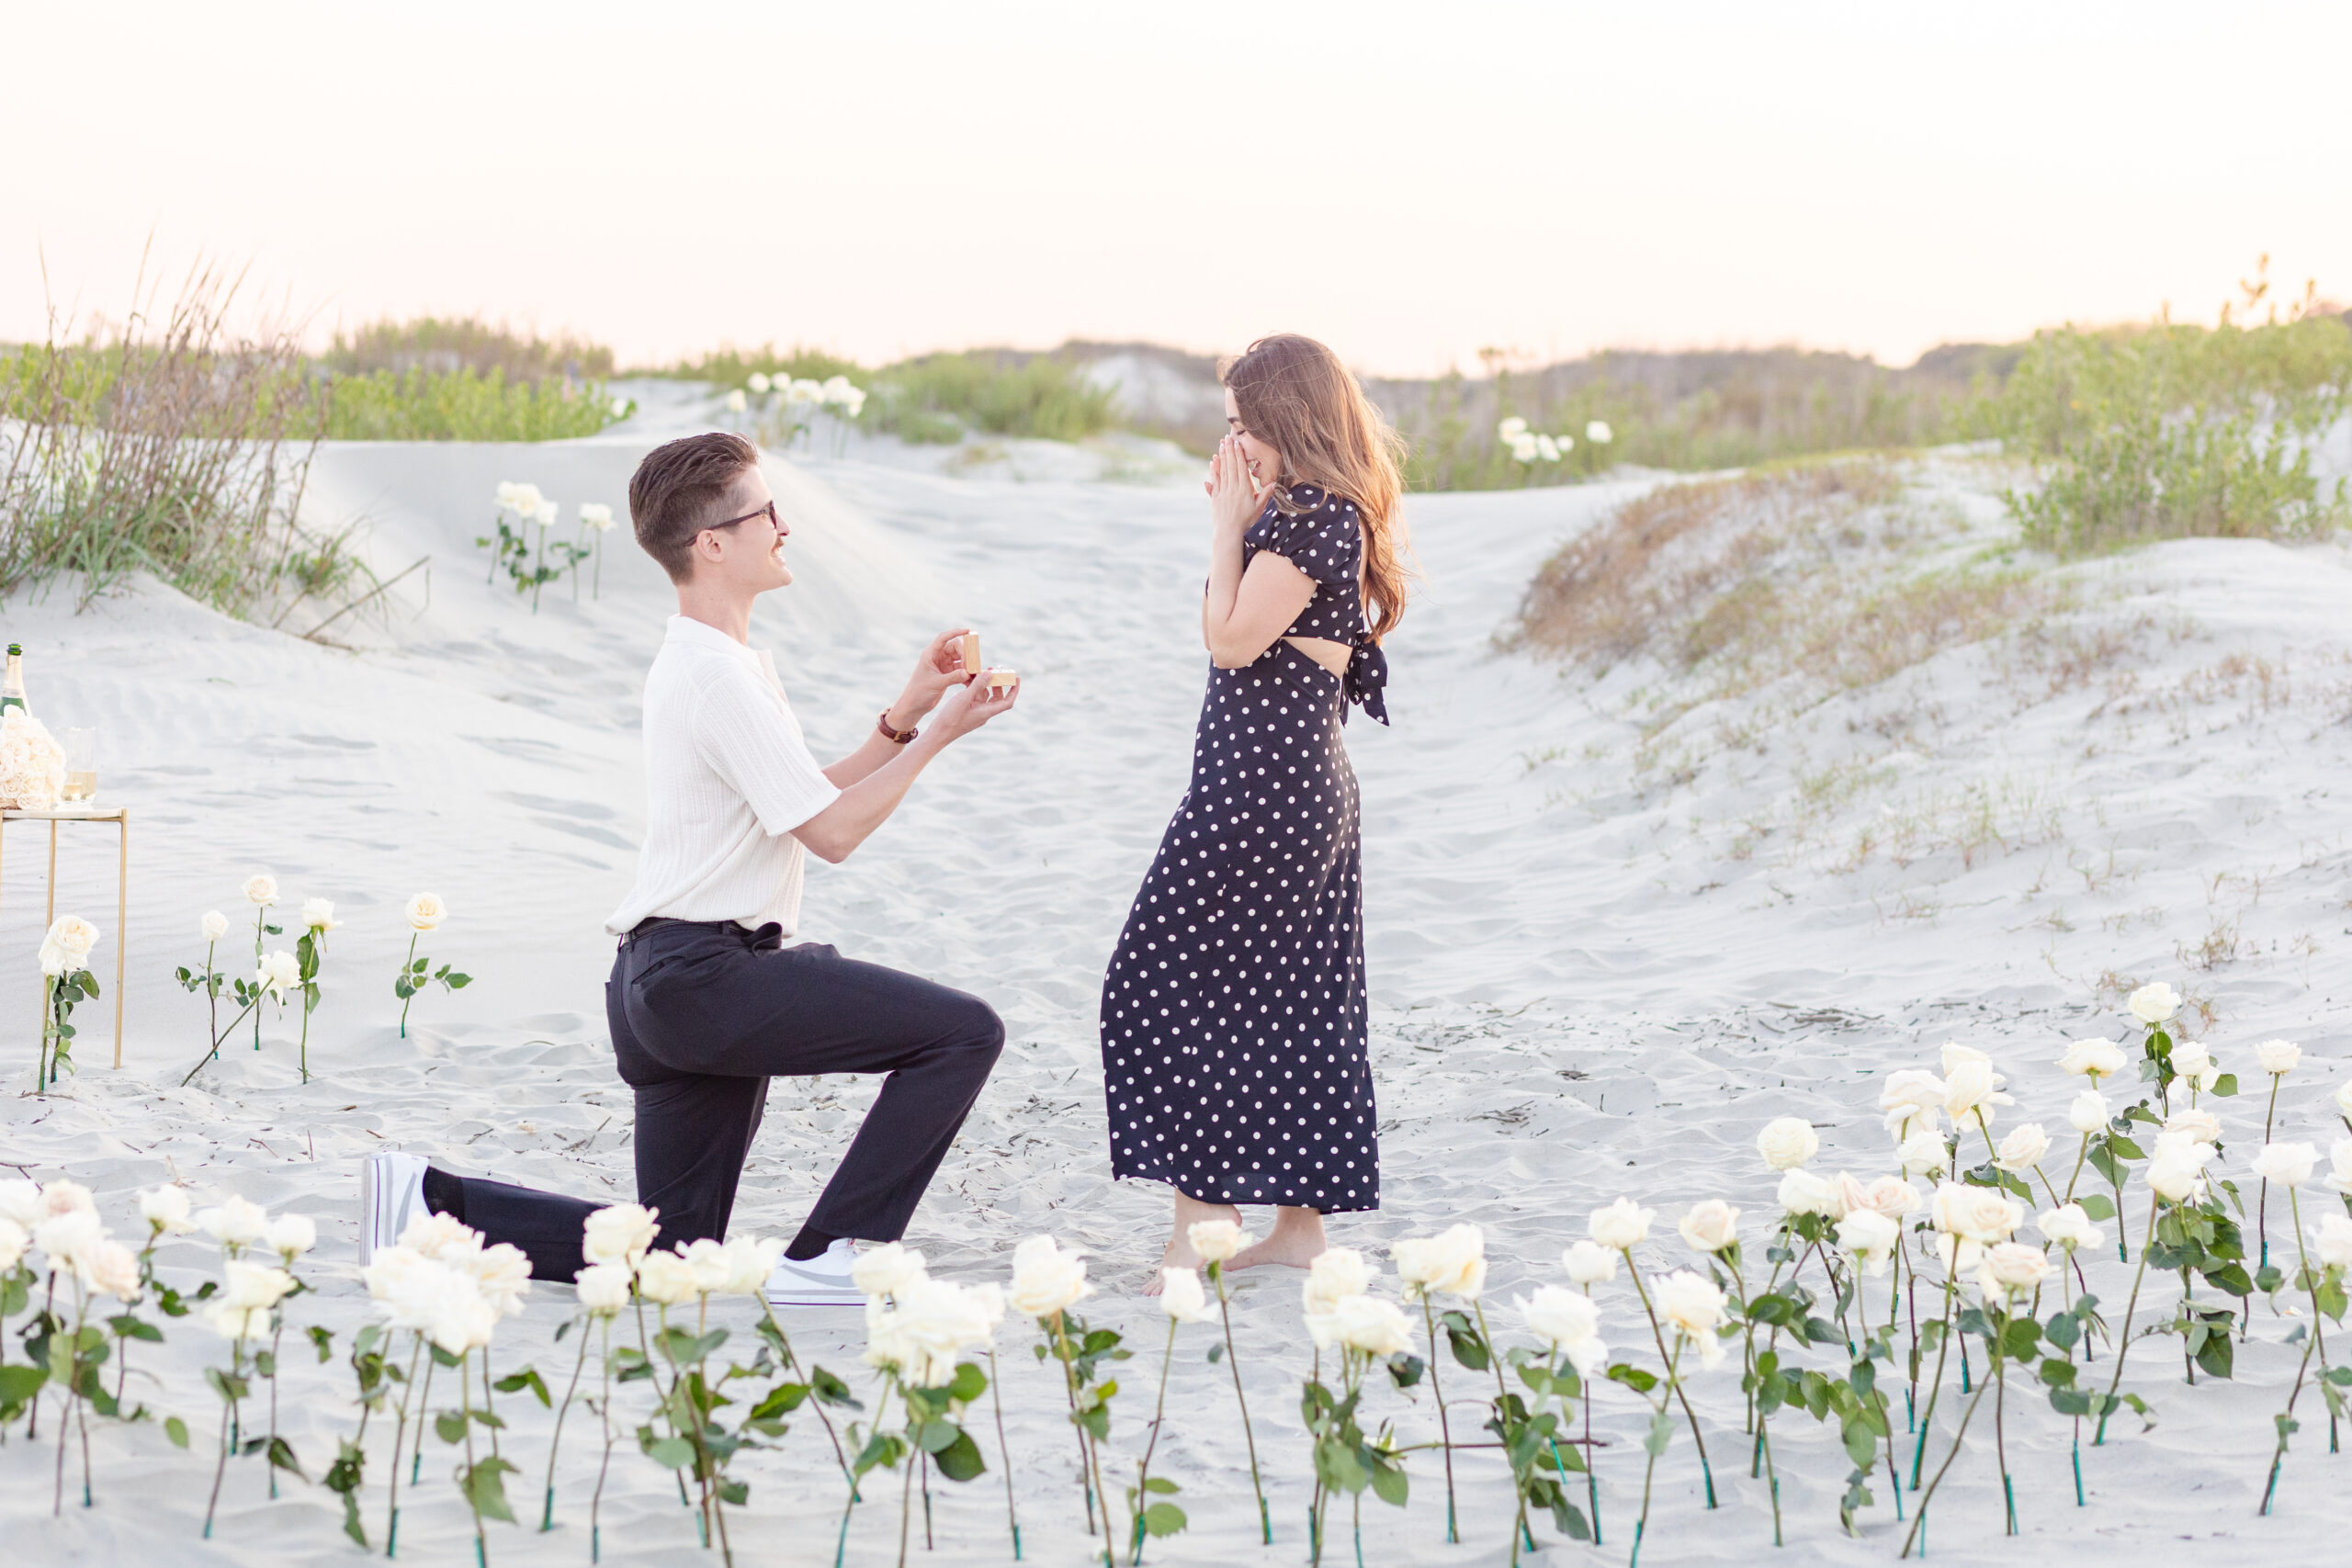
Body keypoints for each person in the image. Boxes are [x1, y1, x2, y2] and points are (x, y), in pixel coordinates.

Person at [360, 431, 1020, 1305]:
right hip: (705, 977)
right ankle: (834, 1256)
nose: (785, 528)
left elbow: (797, 800)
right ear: (712, 544)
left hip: (665, 982)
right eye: (767, 514)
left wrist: (907, 710)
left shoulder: (716, 664)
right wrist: (940, 737)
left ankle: (426, 1205)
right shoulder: (716, 677)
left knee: (668, 1256)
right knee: (963, 1032)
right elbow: (830, 835)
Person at [1099, 334, 1413, 1292]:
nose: (1231, 446)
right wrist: (1244, 518)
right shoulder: (1314, 516)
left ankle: (1202, 1228)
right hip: (1289, 788)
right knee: (1287, 997)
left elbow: (1232, 642)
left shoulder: (1314, 518)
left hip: (1264, 793)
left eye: (1244, 427)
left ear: (1291, 423)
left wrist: (1226, 529)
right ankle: (1299, 1231)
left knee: (1155, 985)